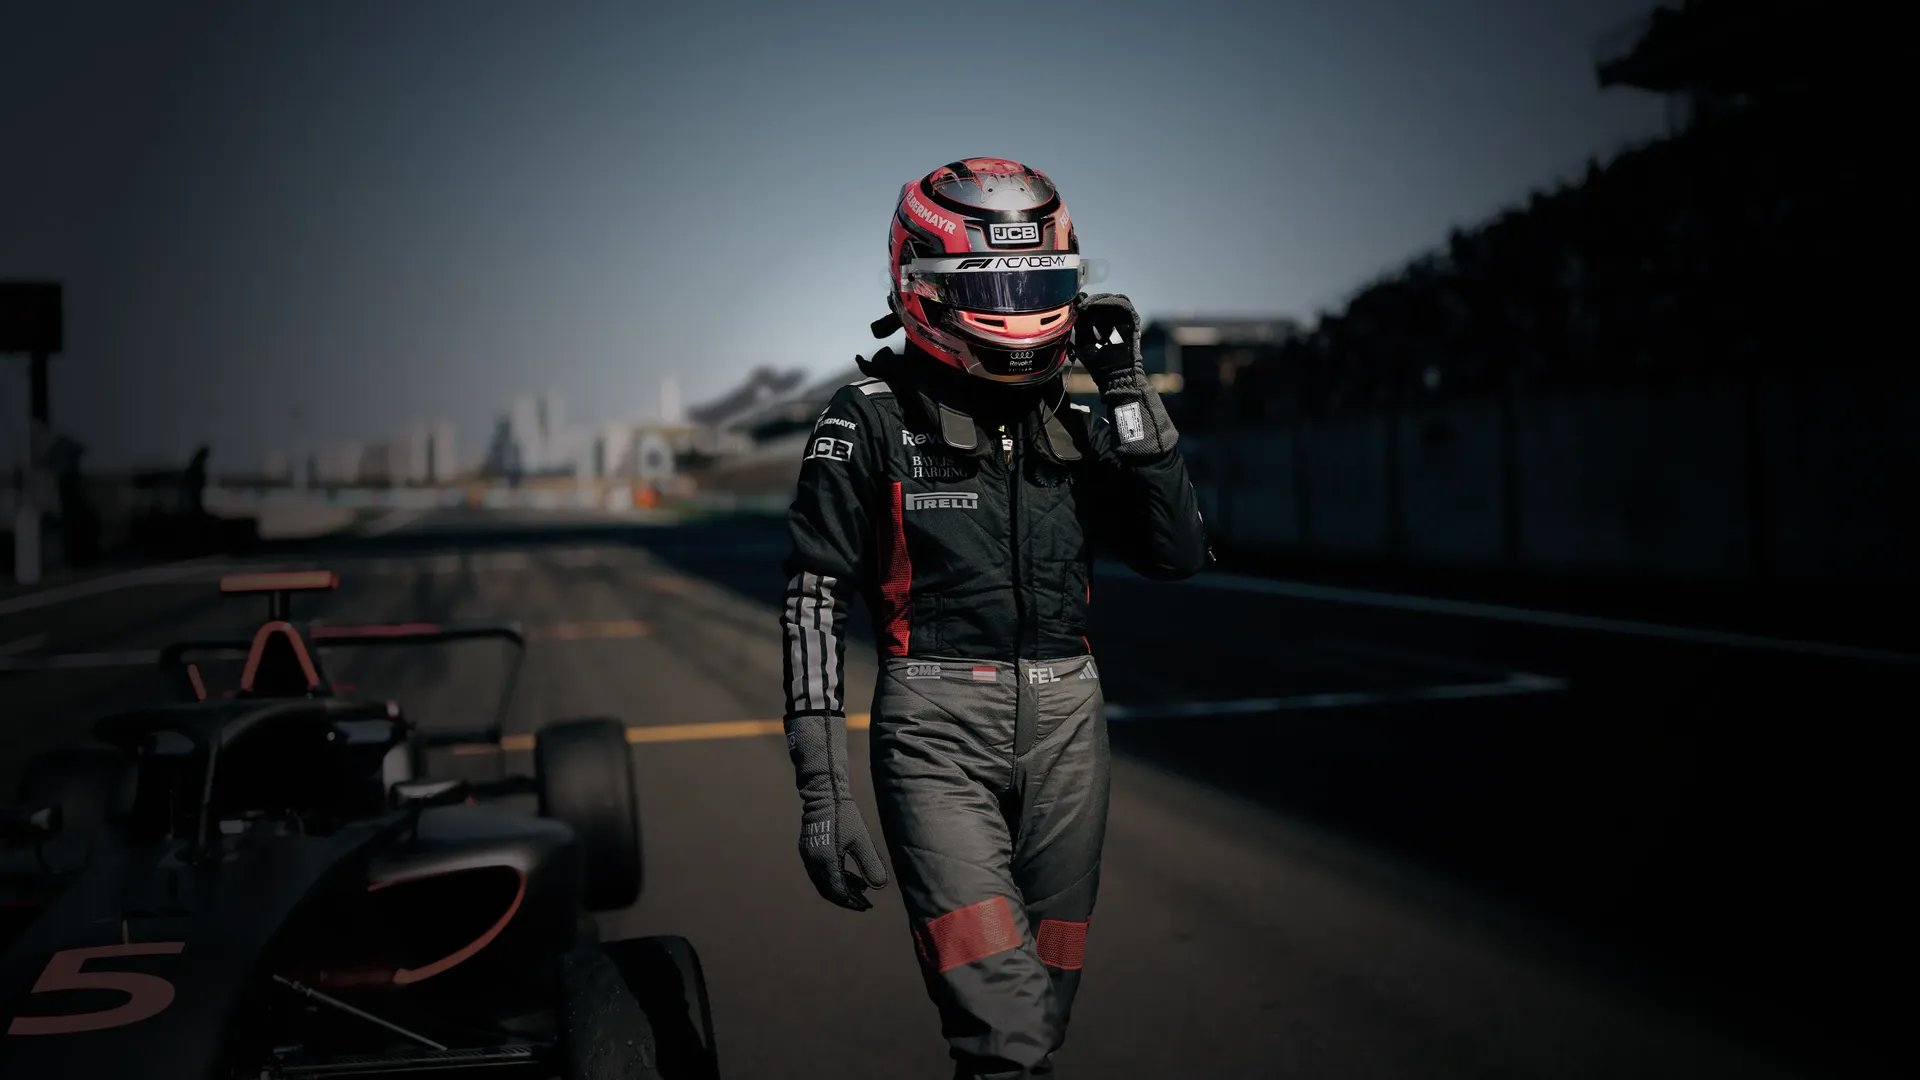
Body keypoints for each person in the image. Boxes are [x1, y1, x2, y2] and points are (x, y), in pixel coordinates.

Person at [778, 158, 1209, 1078]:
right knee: (1005, 1032)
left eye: (1042, 284)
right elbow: (811, 605)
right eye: (1001, 286)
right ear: (921, 286)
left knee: (1044, 1012)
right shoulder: (867, 419)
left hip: (1069, 731)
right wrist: (823, 792)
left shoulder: (1080, 420)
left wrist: (1129, 386)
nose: (1024, 308)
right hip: (935, 736)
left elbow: (1174, 555)